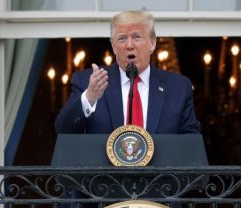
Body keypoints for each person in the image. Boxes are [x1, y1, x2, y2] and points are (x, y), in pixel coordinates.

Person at [55, 10, 201, 134]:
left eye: (137, 37)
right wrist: (90, 97)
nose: (129, 45)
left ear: (152, 43)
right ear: (113, 46)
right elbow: (63, 130)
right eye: (122, 38)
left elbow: (191, 144)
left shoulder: (178, 87)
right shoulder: (88, 81)